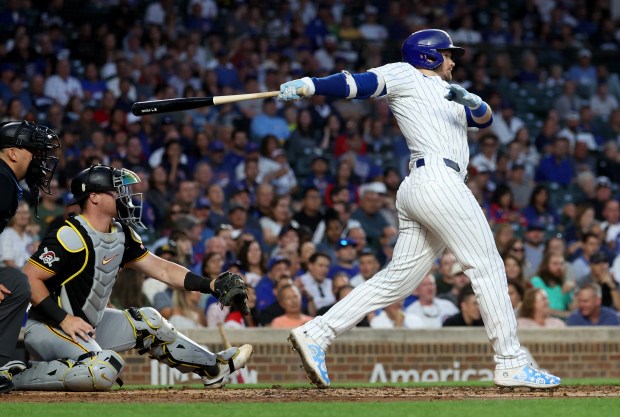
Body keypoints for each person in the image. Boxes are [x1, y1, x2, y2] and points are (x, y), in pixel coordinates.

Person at [278, 29, 560, 389]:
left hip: (426, 186)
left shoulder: (450, 94)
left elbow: (484, 121)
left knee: (398, 280)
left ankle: (317, 332)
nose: (453, 60)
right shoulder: (404, 73)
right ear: (428, 56)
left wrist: (473, 102)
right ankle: (511, 361)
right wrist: (311, 85)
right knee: (487, 265)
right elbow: (357, 84)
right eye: (447, 54)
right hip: (436, 180)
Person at [12, 164, 252, 391]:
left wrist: (209, 284)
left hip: (87, 327)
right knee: (103, 370)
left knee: (149, 322)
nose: (122, 195)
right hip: (49, 327)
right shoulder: (69, 234)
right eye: (115, 190)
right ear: (94, 197)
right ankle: (17, 375)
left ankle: (213, 367)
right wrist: (65, 320)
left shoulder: (121, 233)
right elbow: (29, 279)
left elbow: (162, 269)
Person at [0, 120, 60, 394]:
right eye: (33, 151)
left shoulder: (6, 179)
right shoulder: (3, 179)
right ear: (12, 152)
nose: (38, 159)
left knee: (13, 280)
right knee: (14, 283)